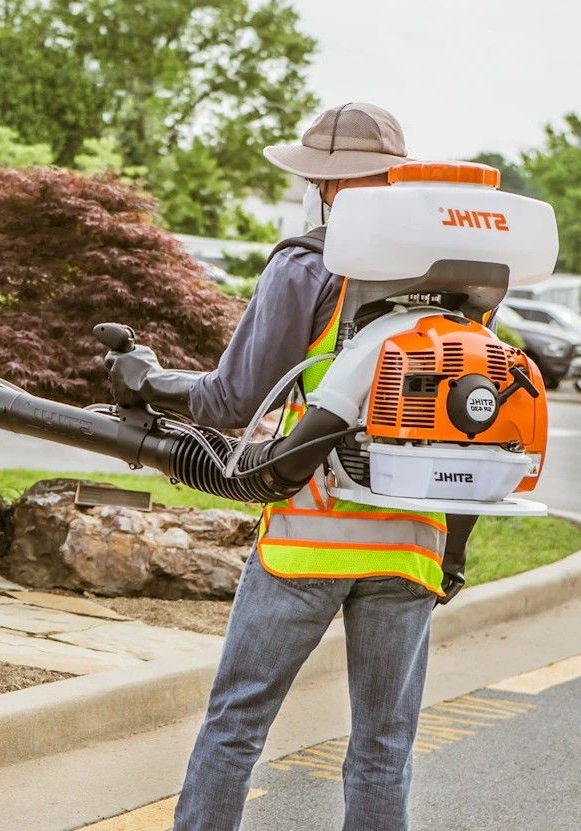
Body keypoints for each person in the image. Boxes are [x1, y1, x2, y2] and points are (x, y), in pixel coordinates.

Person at [105, 102, 473, 831]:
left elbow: (234, 397)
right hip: (412, 542)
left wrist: (145, 378)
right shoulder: (457, 277)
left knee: (235, 727)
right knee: (384, 745)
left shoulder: (308, 263)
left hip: (314, 530)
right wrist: (453, 553)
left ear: (329, 186)